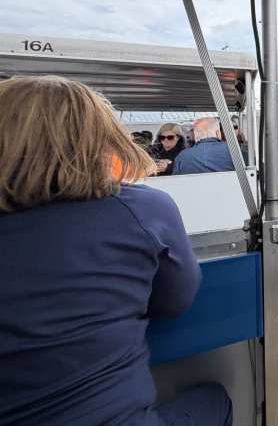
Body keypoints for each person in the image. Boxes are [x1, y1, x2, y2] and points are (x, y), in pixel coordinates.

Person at [0, 76, 232, 426]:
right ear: (99, 140)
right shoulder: (143, 209)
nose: (168, 141)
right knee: (215, 400)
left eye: (172, 137)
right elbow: (175, 300)